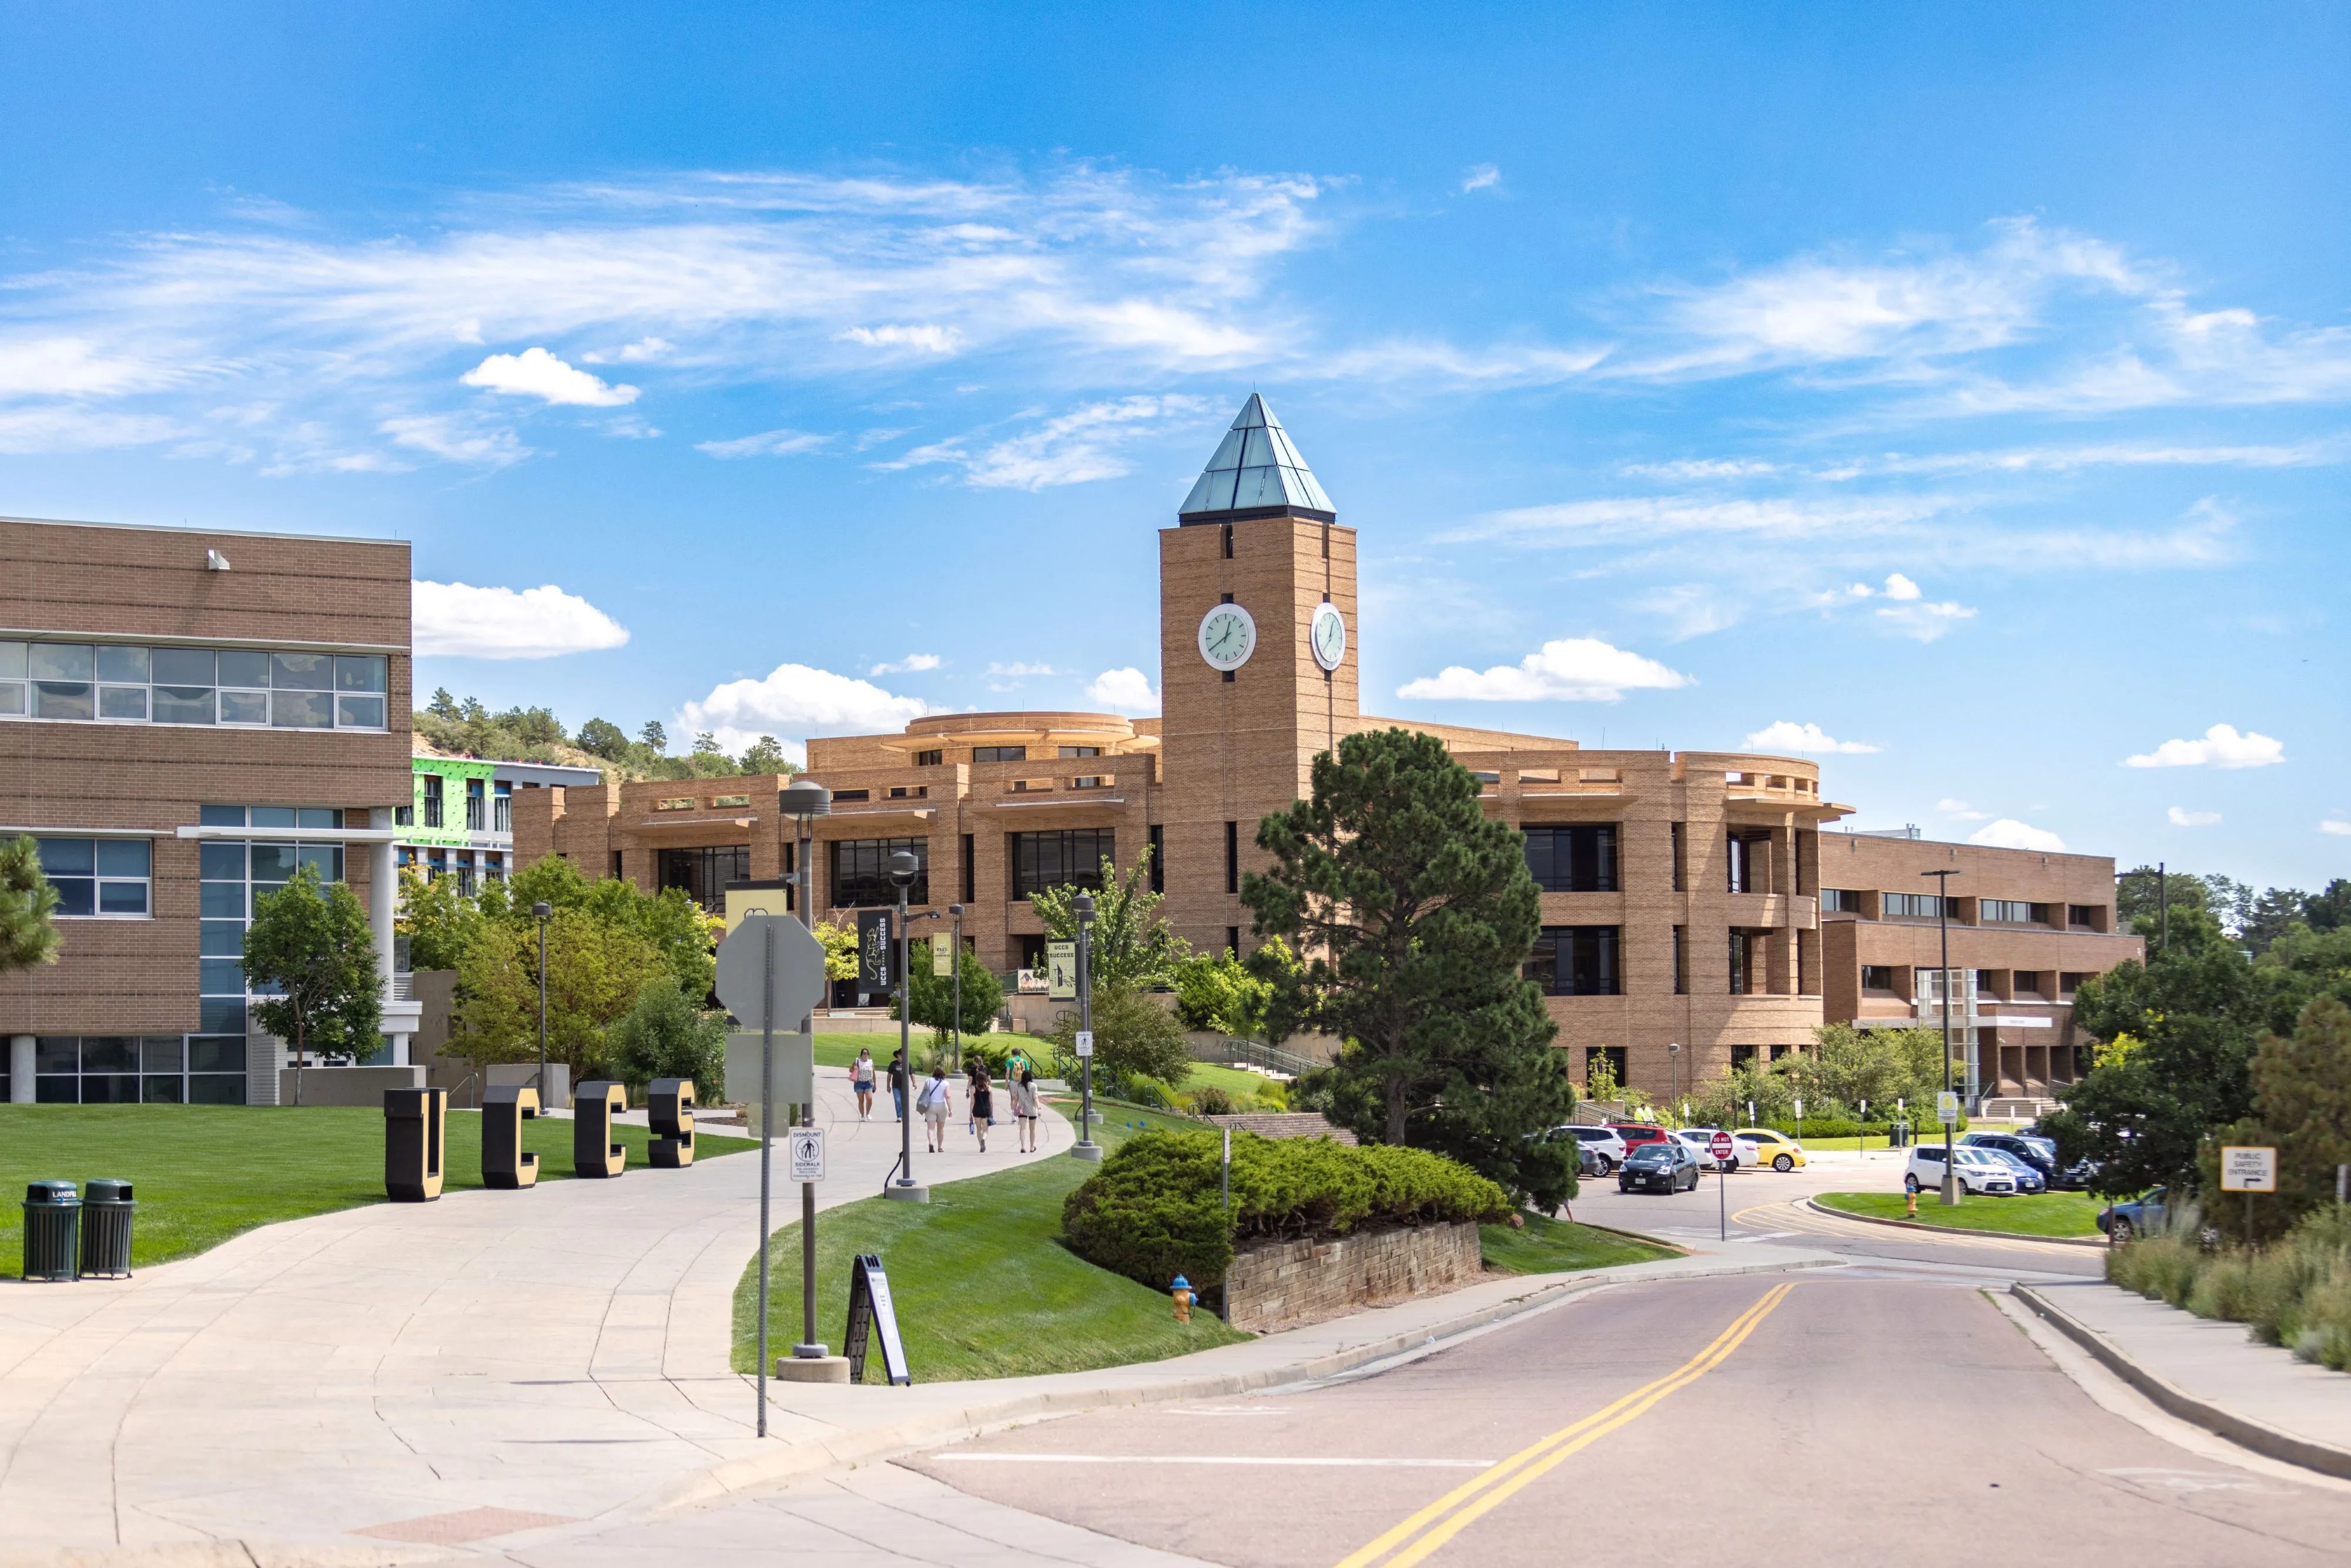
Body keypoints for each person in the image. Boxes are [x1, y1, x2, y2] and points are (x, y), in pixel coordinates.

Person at [919, 1066, 953, 1153]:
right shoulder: (945, 1083)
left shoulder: (929, 1081)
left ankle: (931, 1142)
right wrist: (950, 1109)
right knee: (941, 1128)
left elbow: (924, 1092)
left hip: (930, 1105)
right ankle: (940, 1147)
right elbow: (948, 1097)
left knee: (931, 1128)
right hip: (942, 1105)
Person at [1013, 1067, 1040, 1152]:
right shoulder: (1033, 1086)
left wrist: (1014, 1109)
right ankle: (1032, 1147)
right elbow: (1035, 1098)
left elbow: (1016, 1099)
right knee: (1032, 1129)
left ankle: (1023, 1147)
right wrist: (1039, 1108)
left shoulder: (1019, 1086)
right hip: (1032, 1110)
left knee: (1022, 1129)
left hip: (1022, 1110)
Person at [970, 1063, 994, 1153]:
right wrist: (992, 1113)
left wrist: (970, 1114)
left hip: (976, 1110)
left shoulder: (974, 1089)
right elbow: (991, 1102)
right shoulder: (989, 1089)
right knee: (985, 1129)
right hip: (986, 1110)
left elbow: (972, 1103)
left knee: (978, 1129)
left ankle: (981, 1145)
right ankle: (984, 1139)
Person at [852, 1047, 876, 1120]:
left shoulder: (870, 1062)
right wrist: (854, 1068)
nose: (866, 1055)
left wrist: (875, 1084)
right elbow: (850, 1070)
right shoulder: (857, 1062)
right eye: (864, 1053)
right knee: (861, 1100)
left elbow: (873, 1073)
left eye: (867, 1053)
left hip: (868, 1082)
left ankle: (868, 1113)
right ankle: (862, 1116)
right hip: (859, 1083)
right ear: (861, 1055)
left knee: (869, 1099)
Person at [888, 1048, 909, 1123]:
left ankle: (903, 1116)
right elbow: (889, 1075)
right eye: (901, 1055)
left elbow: (912, 1074)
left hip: (904, 1086)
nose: (902, 1056)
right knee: (898, 1101)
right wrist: (888, 1086)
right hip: (895, 1086)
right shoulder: (893, 1064)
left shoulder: (907, 1064)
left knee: (904, 1102)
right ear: (898, 1055)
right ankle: (899, 1116)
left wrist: (914, 1083)